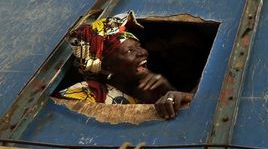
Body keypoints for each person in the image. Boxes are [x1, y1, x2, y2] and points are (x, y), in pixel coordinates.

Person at [57, 11, 193, 119]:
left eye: (139, 46)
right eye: (130, 51)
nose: (143, 53)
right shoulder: (89, 92)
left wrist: (169, 89)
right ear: (106, 67)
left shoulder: (150, 94)